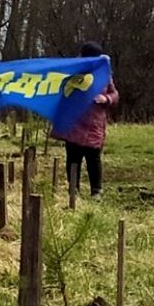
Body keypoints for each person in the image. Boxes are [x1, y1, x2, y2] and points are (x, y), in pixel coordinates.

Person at [53, 41, 119, 201]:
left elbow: (115, 94)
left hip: (94, 124)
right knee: (73, 158)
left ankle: (96, 191)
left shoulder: (104, 74)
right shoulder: (74, 73)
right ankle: (73, 190)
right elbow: (63, 90)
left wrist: (106, 99)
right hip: (75, 122)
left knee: (93, 159)